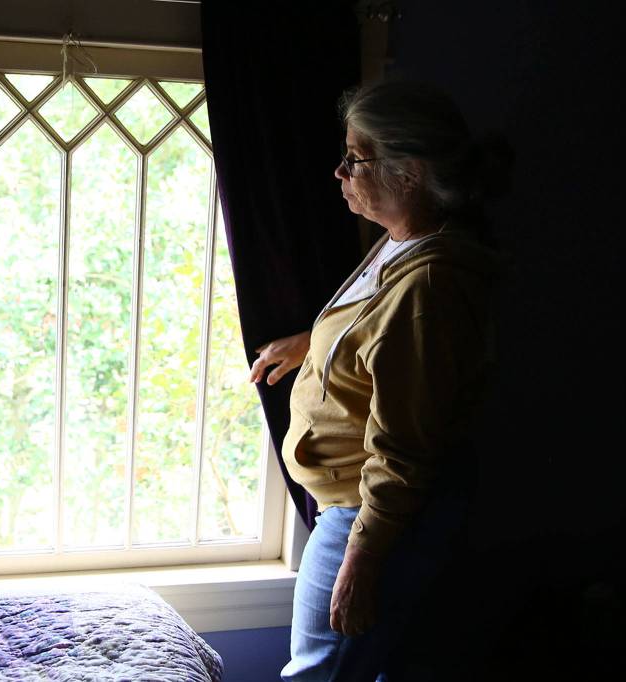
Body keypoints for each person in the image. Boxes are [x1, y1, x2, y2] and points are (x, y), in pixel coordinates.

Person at [249, 80, 514, 681]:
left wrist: (362, 559)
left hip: (368, 514)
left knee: (319, 673)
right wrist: (312, 344)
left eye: (355, 158)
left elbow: (405, 447)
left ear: (409, 172)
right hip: (350, 505)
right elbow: (379, 341)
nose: (339, 172)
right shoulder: (400, 245)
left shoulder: (431, 286)